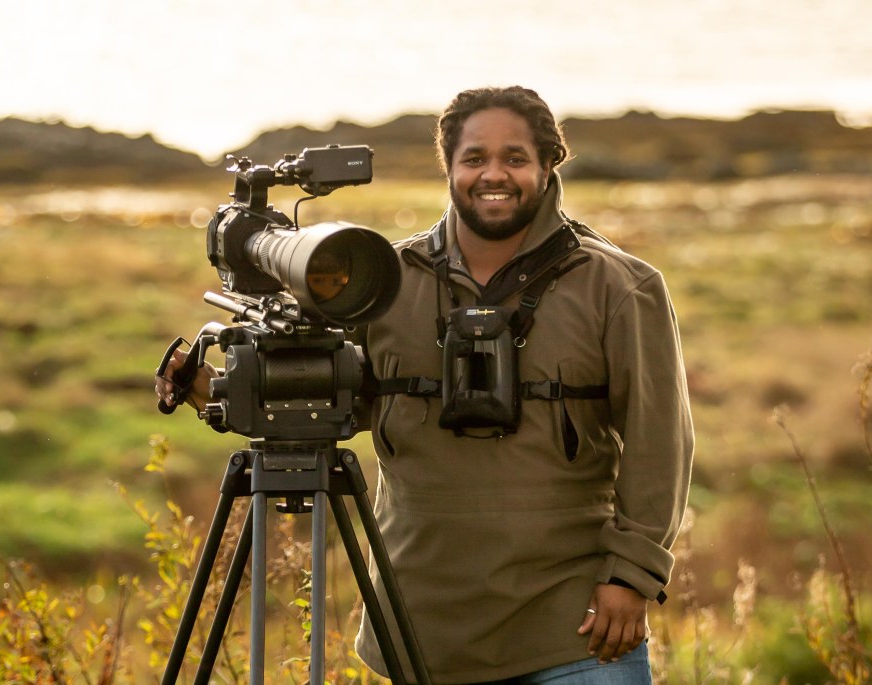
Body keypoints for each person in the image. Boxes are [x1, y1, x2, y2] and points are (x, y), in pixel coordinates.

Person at [157, 85, 694, 685]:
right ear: (450, 168)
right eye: (474, 158)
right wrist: (219, 390)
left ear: (548, 166)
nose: (494, 174)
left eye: (515, 158)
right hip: (418, 628)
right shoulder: (380, 281)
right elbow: (333, 400)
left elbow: (660, 441)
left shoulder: (620, 286)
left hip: (574, 630)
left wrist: (631, 576)